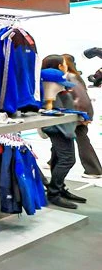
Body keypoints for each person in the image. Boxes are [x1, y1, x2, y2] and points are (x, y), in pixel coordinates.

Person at [40, 55, 85, 208]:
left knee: (59, 157)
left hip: (62, 125)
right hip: (59, 127)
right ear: (59, 66)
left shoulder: (55, 83)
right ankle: (54, 192)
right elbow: (52, 105)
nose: (66, 67)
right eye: (64, 64)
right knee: (67, 159)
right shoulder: (51, 82)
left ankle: (59, 189)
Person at [63, 54, 101, 180]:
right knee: (63, 138)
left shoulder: (69, 77)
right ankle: (52, 161)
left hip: (76, 114)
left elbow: (80, 98)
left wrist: (83, 115)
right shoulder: (75, 76)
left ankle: (94, 169)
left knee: (80, 139)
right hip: (79, 113)